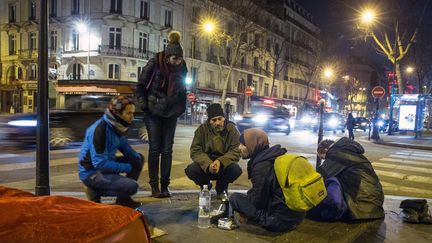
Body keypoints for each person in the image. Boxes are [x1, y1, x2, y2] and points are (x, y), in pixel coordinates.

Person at [136, 30, 188, 198]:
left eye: (179, 59)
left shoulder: (182, 68)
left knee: (167, 150)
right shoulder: (155, 63)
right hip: (153, 113)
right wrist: (145, 106)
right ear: (167, 56)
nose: (177, 62)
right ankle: (154, 187)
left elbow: (183, 92)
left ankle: (165, 186)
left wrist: (181, 108)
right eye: (175, 59)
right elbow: (140, 86)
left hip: (170, 114)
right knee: (155, 149)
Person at [230, 128, 305, 232]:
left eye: (243, 144)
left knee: (235, 198)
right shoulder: (273, 156)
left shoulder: (261, 166)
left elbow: (258, 200)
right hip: (296, 216)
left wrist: (245, 207)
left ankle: (261, 220)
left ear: (253, 145)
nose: (239, 148)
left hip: (280, 221)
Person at [78, 96, 144, 208]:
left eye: (133, 113)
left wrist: (135, 159)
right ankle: (94, 191)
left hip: (105, 164)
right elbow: (99, 163)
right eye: (129, 113)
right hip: (92, 172)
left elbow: (126, 148)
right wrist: (128, 167)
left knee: (138, 158)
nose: (132, 117)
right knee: (132, 187)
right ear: (118, 113)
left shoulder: (117, 126)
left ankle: (123, 199)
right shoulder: (100, 130)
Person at [308, 137, 384, 221]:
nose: (324, 160)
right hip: (373, 206)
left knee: (332, 181)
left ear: (326, 150)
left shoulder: (337, 155)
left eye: (322, 158)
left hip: (362, 207)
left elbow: (319, 177)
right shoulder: (349, 152)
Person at [185, 103, 242, 199]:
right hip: (207, 164)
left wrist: (221, 161)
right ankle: (205, 186)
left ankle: (221, 187)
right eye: (214, 120)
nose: (218, 123)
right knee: (192, 170)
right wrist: (208, 164)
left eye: (220, 119)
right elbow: (195, 150)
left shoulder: (232, 129)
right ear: (209, 120)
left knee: (235, 170)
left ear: (224, 118)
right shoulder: (201, 129)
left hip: (224, 164)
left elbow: (236, 150)